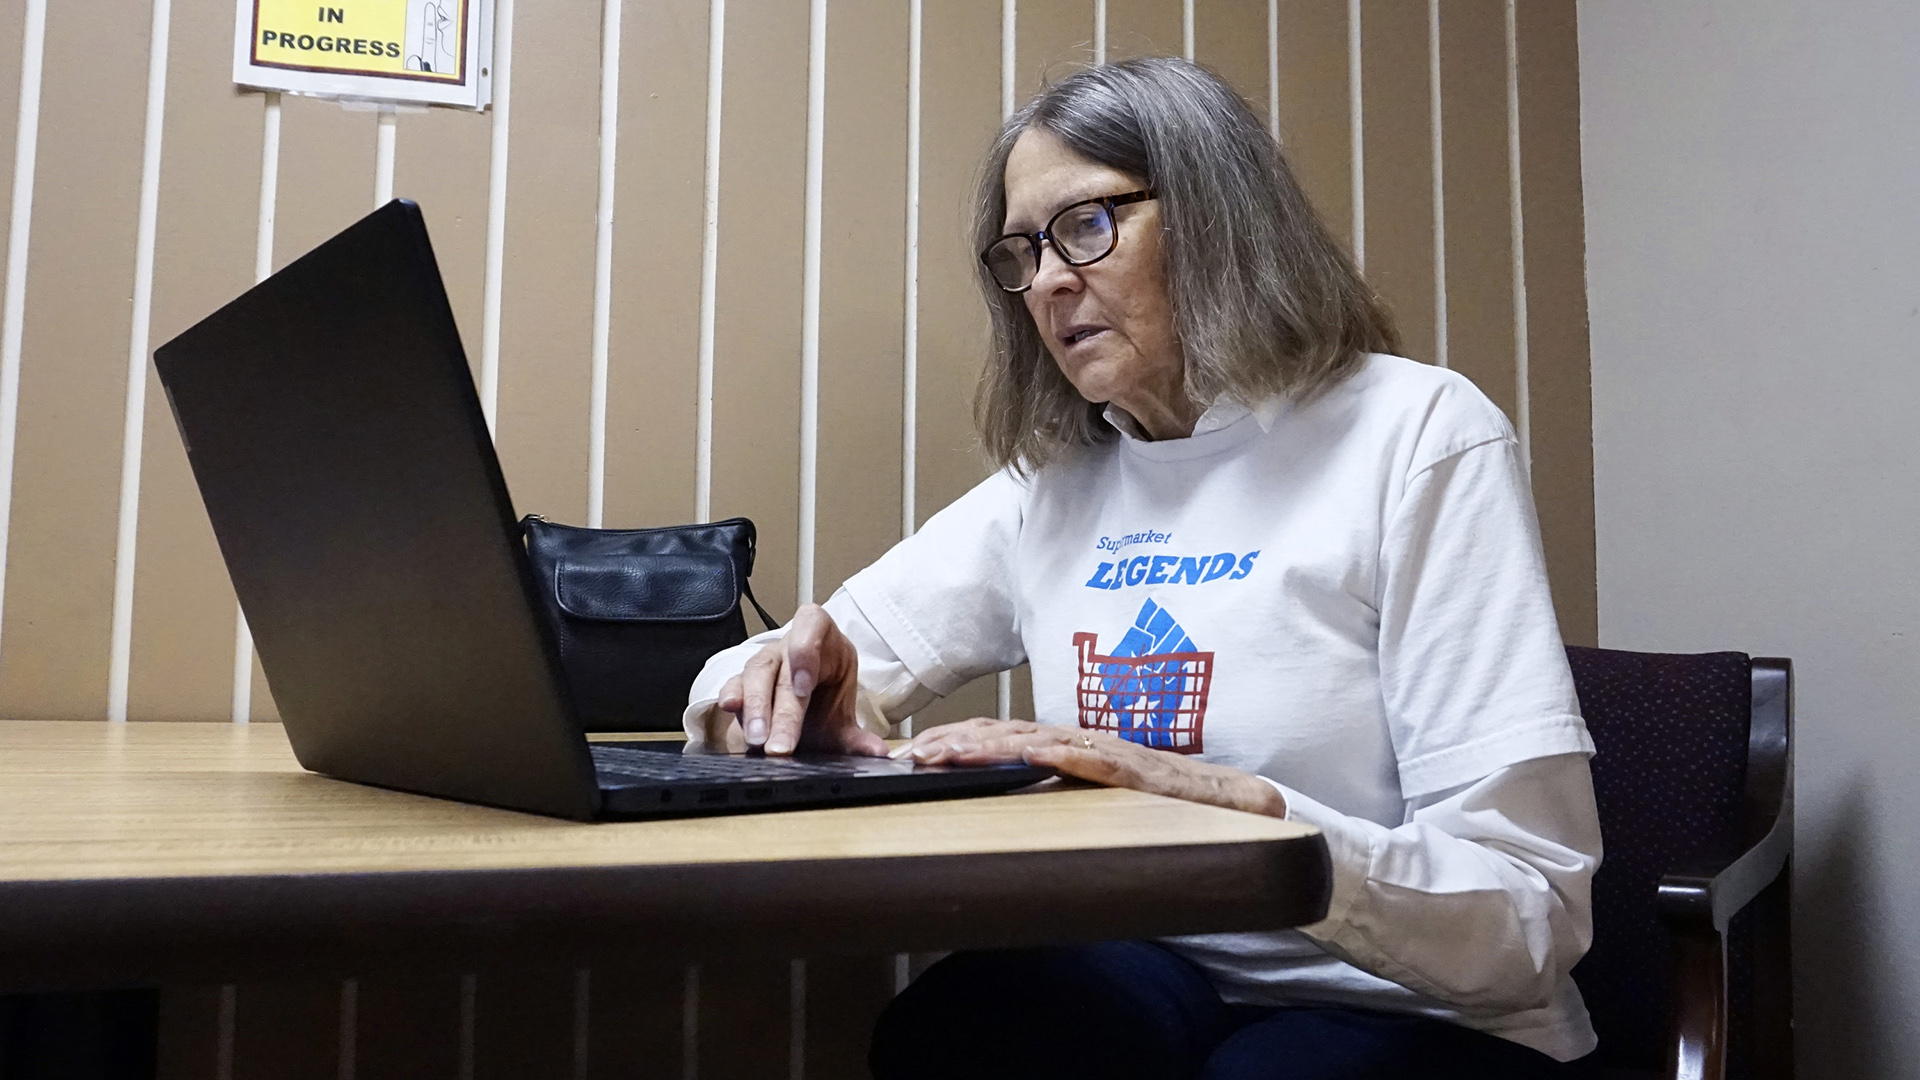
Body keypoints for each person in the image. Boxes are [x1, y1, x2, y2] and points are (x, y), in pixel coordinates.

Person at [683, 56, 1602, 1080]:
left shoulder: (1419, 435)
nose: (1050, 282)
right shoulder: (1057, 485)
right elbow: (771, 666)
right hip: (1162, 977)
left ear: (1217, 217)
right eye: (1023, 252)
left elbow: (1530, 920)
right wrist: (768, 694)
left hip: (1419, 1011)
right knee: (958, 1029)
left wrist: (1232, 806)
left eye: (1086, 225)